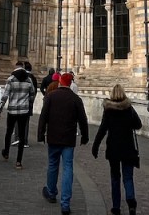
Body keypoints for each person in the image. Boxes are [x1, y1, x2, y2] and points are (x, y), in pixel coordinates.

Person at [38, 71, 89, 215]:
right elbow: (83, 120)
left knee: (53, 164)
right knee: (68, 168)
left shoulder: (51, 96)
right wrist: (85, 136)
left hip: (53, 137)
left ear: (60, 82)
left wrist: (41, 134)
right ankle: (65, 204)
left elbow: (43, 117)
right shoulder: (75, 99)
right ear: (71, 83)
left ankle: (51, 192)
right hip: (68, 139)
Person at [92, 84, 142, 215]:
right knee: (128, 177)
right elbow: (138, 124)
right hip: (128, 148)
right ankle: (131, 201)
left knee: (115, 178)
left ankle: (116, 207)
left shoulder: (108, 110)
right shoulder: (128, 108)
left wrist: (95, 145)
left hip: (114, 148)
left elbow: (102, 129)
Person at [2, 61, 36, 169]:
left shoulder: (11, 79)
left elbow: (5, 95)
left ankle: (6, 152)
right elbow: (32, 94)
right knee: (22, 136)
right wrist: (28, 103)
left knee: (9, 131)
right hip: (24, 111)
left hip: (12, 110)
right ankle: (18, 161)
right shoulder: (28, 79)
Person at [23, 61, 39, 146]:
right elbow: (34, 91)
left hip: (18, 105)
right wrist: (31, 101)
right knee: (26, 122)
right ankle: (24, 141)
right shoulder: (33, 78)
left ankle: (17, 138)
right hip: (28, 103)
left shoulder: (20, 76)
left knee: (18, 122)